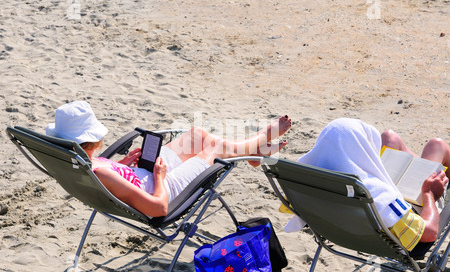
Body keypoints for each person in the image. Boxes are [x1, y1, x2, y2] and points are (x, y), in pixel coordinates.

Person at [46, 101, 291, 218]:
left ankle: (254, 153)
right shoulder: (97, 171)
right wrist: (160, 177)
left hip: (144, 177)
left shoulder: (80, 162)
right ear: (93, 140)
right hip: (163, 189)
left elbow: (108, 179)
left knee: (197, 135)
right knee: (213, 148)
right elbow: (158, 208)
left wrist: (121, 165)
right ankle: (258, 144)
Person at [287, 118, 448, 253]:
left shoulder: (310, 183)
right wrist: (429, 194)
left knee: (390, 138)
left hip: (344, 227)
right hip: (400, 233)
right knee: (437, 145)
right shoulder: (380, 199)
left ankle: (415, 165)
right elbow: (429, 233)